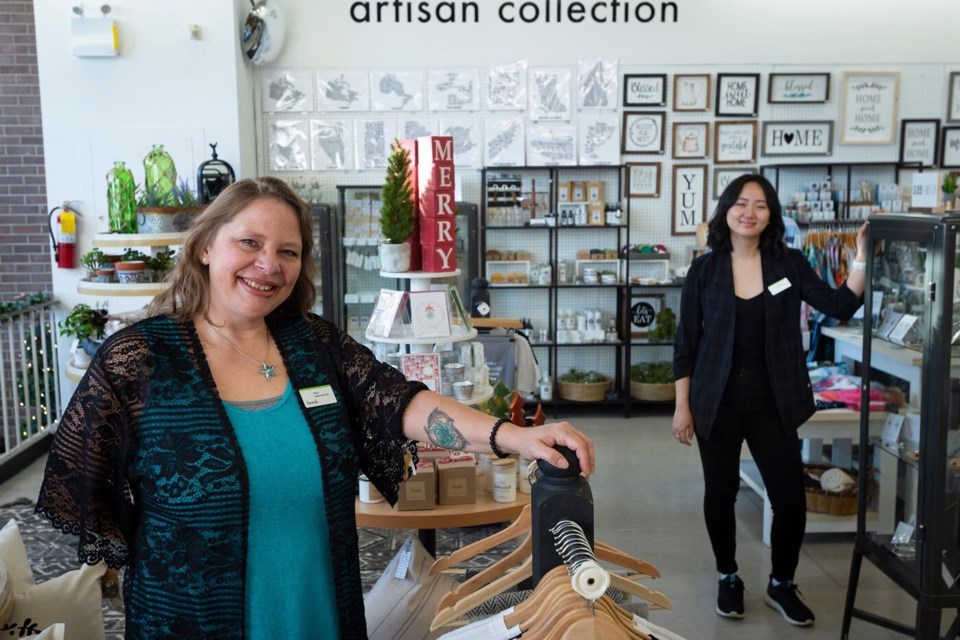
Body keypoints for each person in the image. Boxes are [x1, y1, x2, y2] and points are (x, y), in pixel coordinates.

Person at [36, 177, 595, 640]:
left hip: (317, 613)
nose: (268, 265)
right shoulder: (139, 360)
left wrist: (512, 437)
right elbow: (83, 486)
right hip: (190, 622)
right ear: (206, 246)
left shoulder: (314, 346)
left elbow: (401, 402)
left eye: (287, 251)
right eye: (249, 243)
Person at [671, 174, 866, 627]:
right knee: (719, 495)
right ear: (726, 210)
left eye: (760, 205)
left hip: (774, 400)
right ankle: (729, 576)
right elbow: (686, 344)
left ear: (771, 215)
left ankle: (781, 583)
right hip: (714, 400)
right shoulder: (705, 269)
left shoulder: (788, 264)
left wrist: (859, 254)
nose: (749, 212)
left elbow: (839, 305)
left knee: (790, 499)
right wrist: (682, 406)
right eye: (741, 203)